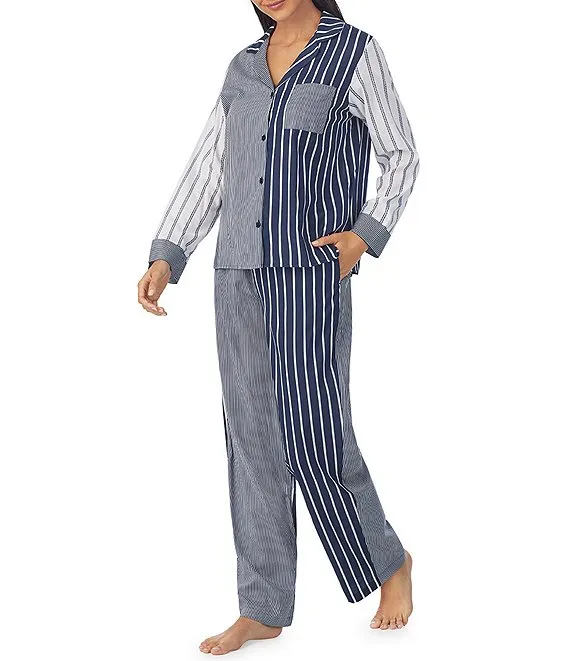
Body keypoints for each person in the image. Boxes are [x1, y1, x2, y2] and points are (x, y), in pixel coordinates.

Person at [138, 0, 419, 654]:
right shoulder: (241, 68)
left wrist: (364, 234)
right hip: (235, 271)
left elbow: (401, 153)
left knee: (316, 433)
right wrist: (167, 253)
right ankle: (262, 605)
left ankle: (390, 563)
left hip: (310, 273)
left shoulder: (354, 52)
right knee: (252, 439)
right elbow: (212, 165)